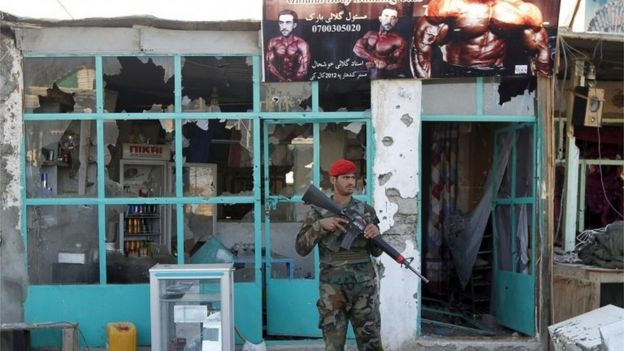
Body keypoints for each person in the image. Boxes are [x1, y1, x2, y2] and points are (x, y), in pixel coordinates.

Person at [296, 159, 384, 351]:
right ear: (333, 180)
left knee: (372, 343)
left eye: (353, 177)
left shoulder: (366, 211)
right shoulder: (318, 212)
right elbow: (301, 248)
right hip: (332, 289)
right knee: (333, 346)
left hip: (364, 288)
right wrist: (320, 226)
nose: (351, 182)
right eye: (345, 178)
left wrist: (375, 234)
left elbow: (376, 251)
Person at [411, 0, 552, 78]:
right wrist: (423, 86)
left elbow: (541, 52)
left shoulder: (523, 10)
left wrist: (542, 91)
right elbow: (421, 50)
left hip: (497, 73)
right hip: (455, 71)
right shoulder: (449, 4)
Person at [353, 5, 408, 79]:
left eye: (393, 18)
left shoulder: (399, 41)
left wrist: (385, 66)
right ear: (380, 18)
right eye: (386, 16)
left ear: (396, 21)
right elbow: (357, 48)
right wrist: (374, 60)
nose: (389, 21)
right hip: (364, 79)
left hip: (384, 79)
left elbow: (399, 65)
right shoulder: (370, 34)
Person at [265, 9, 311, 82]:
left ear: (294, 25)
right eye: (281, 23)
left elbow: (304, 69)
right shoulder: (273, 42)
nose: (284, 27)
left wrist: (292, 81)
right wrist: (281, 78)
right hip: (277, 82)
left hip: (298, 83)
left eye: (288, 23)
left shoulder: (301, 44)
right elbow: (269, 65)